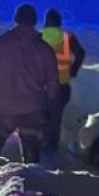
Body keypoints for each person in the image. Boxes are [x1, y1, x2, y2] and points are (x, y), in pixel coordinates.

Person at [0, 4, 60, 182]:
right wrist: (50, 108)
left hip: (4, 108)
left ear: (16, 19)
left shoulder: (0, 43)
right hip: (33, 111)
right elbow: (53, 83)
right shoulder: (45, 49)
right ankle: (31, 188)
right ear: (34, 22)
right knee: (31, 154)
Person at [41, 9, 86, 154]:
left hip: (40, 87)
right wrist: (73, 71)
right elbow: (80, 53)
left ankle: (40, 149)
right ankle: (52, 150)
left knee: (41, 117)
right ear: (59, 22)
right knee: (55, 119)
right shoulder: (67, 37)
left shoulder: (38, 37)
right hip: (61, 86)